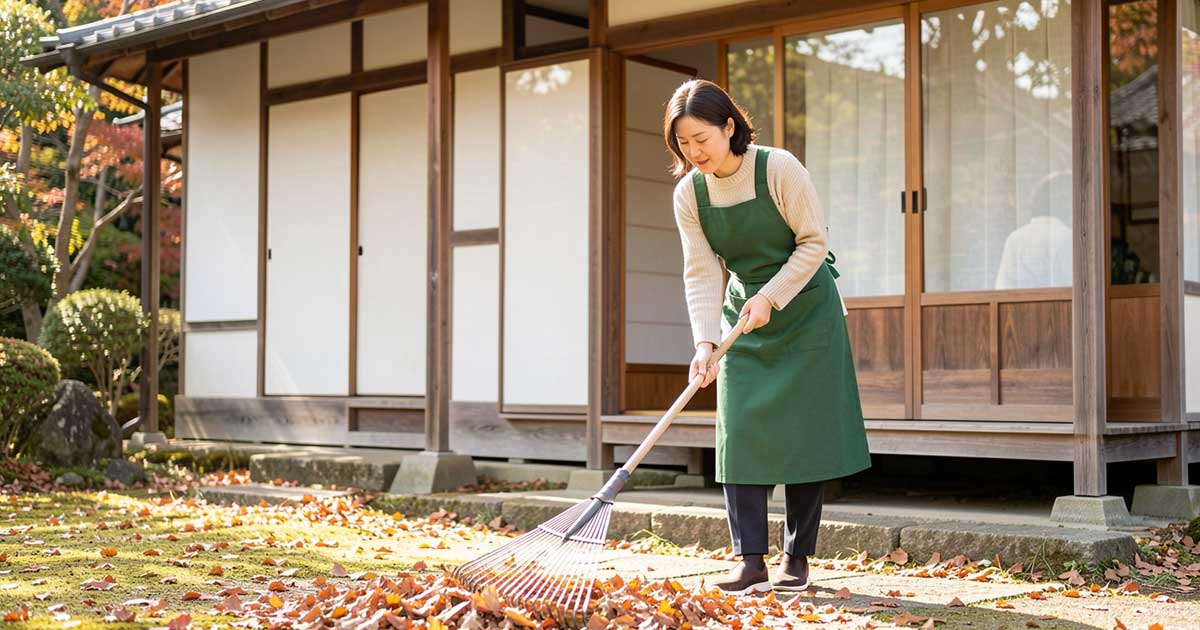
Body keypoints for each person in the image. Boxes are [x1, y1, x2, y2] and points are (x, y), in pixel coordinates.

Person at [664, 79, 872, 596]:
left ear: (729, 126)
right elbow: (701, 271)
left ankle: (796, 558)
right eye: (683, 145)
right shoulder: (690, 193)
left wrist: (772, 296)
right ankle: (749, 559)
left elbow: (813, 243)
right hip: (745, 319)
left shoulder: (778, 168)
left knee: (805, 434)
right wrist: (704, 343)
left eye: (702, 140)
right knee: (739, 432)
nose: (694, 153)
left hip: (806, 312)